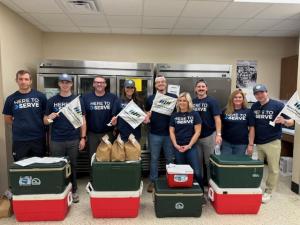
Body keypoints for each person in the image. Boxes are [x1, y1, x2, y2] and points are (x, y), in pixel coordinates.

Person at [44, 73, 87, 203]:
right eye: (62, 82)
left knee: (73, 165)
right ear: (59, 84)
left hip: (73, 139)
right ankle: (60, 189)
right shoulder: (51, 100)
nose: (65, 84)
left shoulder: (77, 100)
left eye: (67, 82)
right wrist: (49, 118)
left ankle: (73, 190)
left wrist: (83, 138)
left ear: (71, 84)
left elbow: (83, 120)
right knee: (58, 166)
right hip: (56, 139)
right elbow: (45, 121)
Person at [251, 84, 294, 203]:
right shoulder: (254, 106)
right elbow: (252, 126)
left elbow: (291, 121)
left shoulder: (278, 105)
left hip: (273, 141)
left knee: (273, 169)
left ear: (266, 92)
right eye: (257, 93)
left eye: (261, 92)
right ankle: (256, 187)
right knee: (256, 167)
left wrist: (284, 121)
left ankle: (268, 192)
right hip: (258, 143)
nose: (259, 95)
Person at [2, 70, 47, 161]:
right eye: (21, 79)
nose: (23, 82)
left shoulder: (40, 96)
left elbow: (46, 117)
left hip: (38, 138)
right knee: (21, 168)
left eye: (26, 79)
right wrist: (20, 125)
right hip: (20, 140)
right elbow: (7, 119)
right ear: (17, 80)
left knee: (39, 166)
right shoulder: (10, 99)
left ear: (30, 81)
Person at [145, 76, 176, 193]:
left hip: (169, 134)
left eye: (162, 82)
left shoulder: (173, 98)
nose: (161, 84)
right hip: (154, 133)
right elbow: (148, 112)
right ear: (155, 85)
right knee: (154, 158)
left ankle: (171, 180)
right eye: (158, 82)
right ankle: (153, 181)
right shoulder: (150, 98)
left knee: (170, 158)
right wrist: (147, 117)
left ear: (166, 83)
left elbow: (177, 114)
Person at [169, 92, 204, 190]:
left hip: (191, 147)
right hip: (178, 148)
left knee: (196, 171)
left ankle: (200, 193)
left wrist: (189, 145)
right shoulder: (174, 115)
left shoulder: (194, 114)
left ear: (188, 102)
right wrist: (175, 145)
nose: (182, 102)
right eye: (180, 100)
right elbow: (171, 131)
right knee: (182, 173)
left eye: (184, 101)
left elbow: (198, 132)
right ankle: (184, 193)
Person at [82, 76, 119, 158]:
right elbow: (82, 118)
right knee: (92, 159)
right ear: (93, 84)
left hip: (108, 134)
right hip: (92, 135)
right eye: (97, 82)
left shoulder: (113, 98)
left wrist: (115, 123)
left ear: (105, 84)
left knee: (108, 159)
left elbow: (116, 115)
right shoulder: (85, 98)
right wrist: (83, 137)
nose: (99, 84)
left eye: (102, 82)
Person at [193, 79, 222, 183]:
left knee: (209, 162)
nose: (201, 88)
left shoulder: (212, 101)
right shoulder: (192, 101)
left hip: (209, 136)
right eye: (199, 87)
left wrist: (218, 134)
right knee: (198, 162)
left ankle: (211, 183)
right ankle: (199, 184)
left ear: (206, 88)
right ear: (195, 89)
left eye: (203, 87)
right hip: (195, 137)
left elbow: (217, 119)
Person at [221, 89, 255, 155]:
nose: (237, 99)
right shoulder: (225, 111)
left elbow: (252, 129)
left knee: (238, 164)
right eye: (235, 97)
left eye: (240, 97)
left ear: (243, 99)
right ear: (232, 99)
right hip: (226, 143)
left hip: (241, 144)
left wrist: (251, 144)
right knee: (226, 163)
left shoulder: (248, 112)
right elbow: (220, 125)